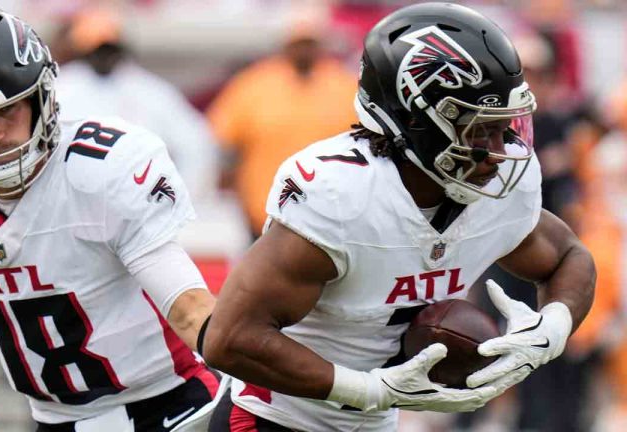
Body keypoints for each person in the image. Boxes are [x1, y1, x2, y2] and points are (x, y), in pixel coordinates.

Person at [201, 3, 596, 431]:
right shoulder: (342, 197)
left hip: (376, 423)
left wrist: (550, 332)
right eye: (480, 129)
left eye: (507, 127)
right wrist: (371, 390)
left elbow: (569, 257)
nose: (501, 152)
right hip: (275, 418)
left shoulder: (498, 188)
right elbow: (229, 340)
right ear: (414, 121)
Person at [0, 6, 218, 432]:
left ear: (41, 97)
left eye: (9, 109)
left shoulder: (105, 167)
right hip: (56, 420)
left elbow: (189, 311)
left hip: (171, 405)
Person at [205, 15, 358, 238]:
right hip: (265, 213)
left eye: (309, 44)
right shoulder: (253, 84)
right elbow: (224, 142)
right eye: (298, 44)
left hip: (333, 212)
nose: (303, 51)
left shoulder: (345, 85)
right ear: (285, 45)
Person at [55, 6, 218, 201]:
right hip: (76, 203)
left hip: (138, 202)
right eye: (97, 49)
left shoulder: (148, 90)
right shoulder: (63, 87)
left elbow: (196, 144)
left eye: (109, 48)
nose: (104, 56)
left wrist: (179, 199)